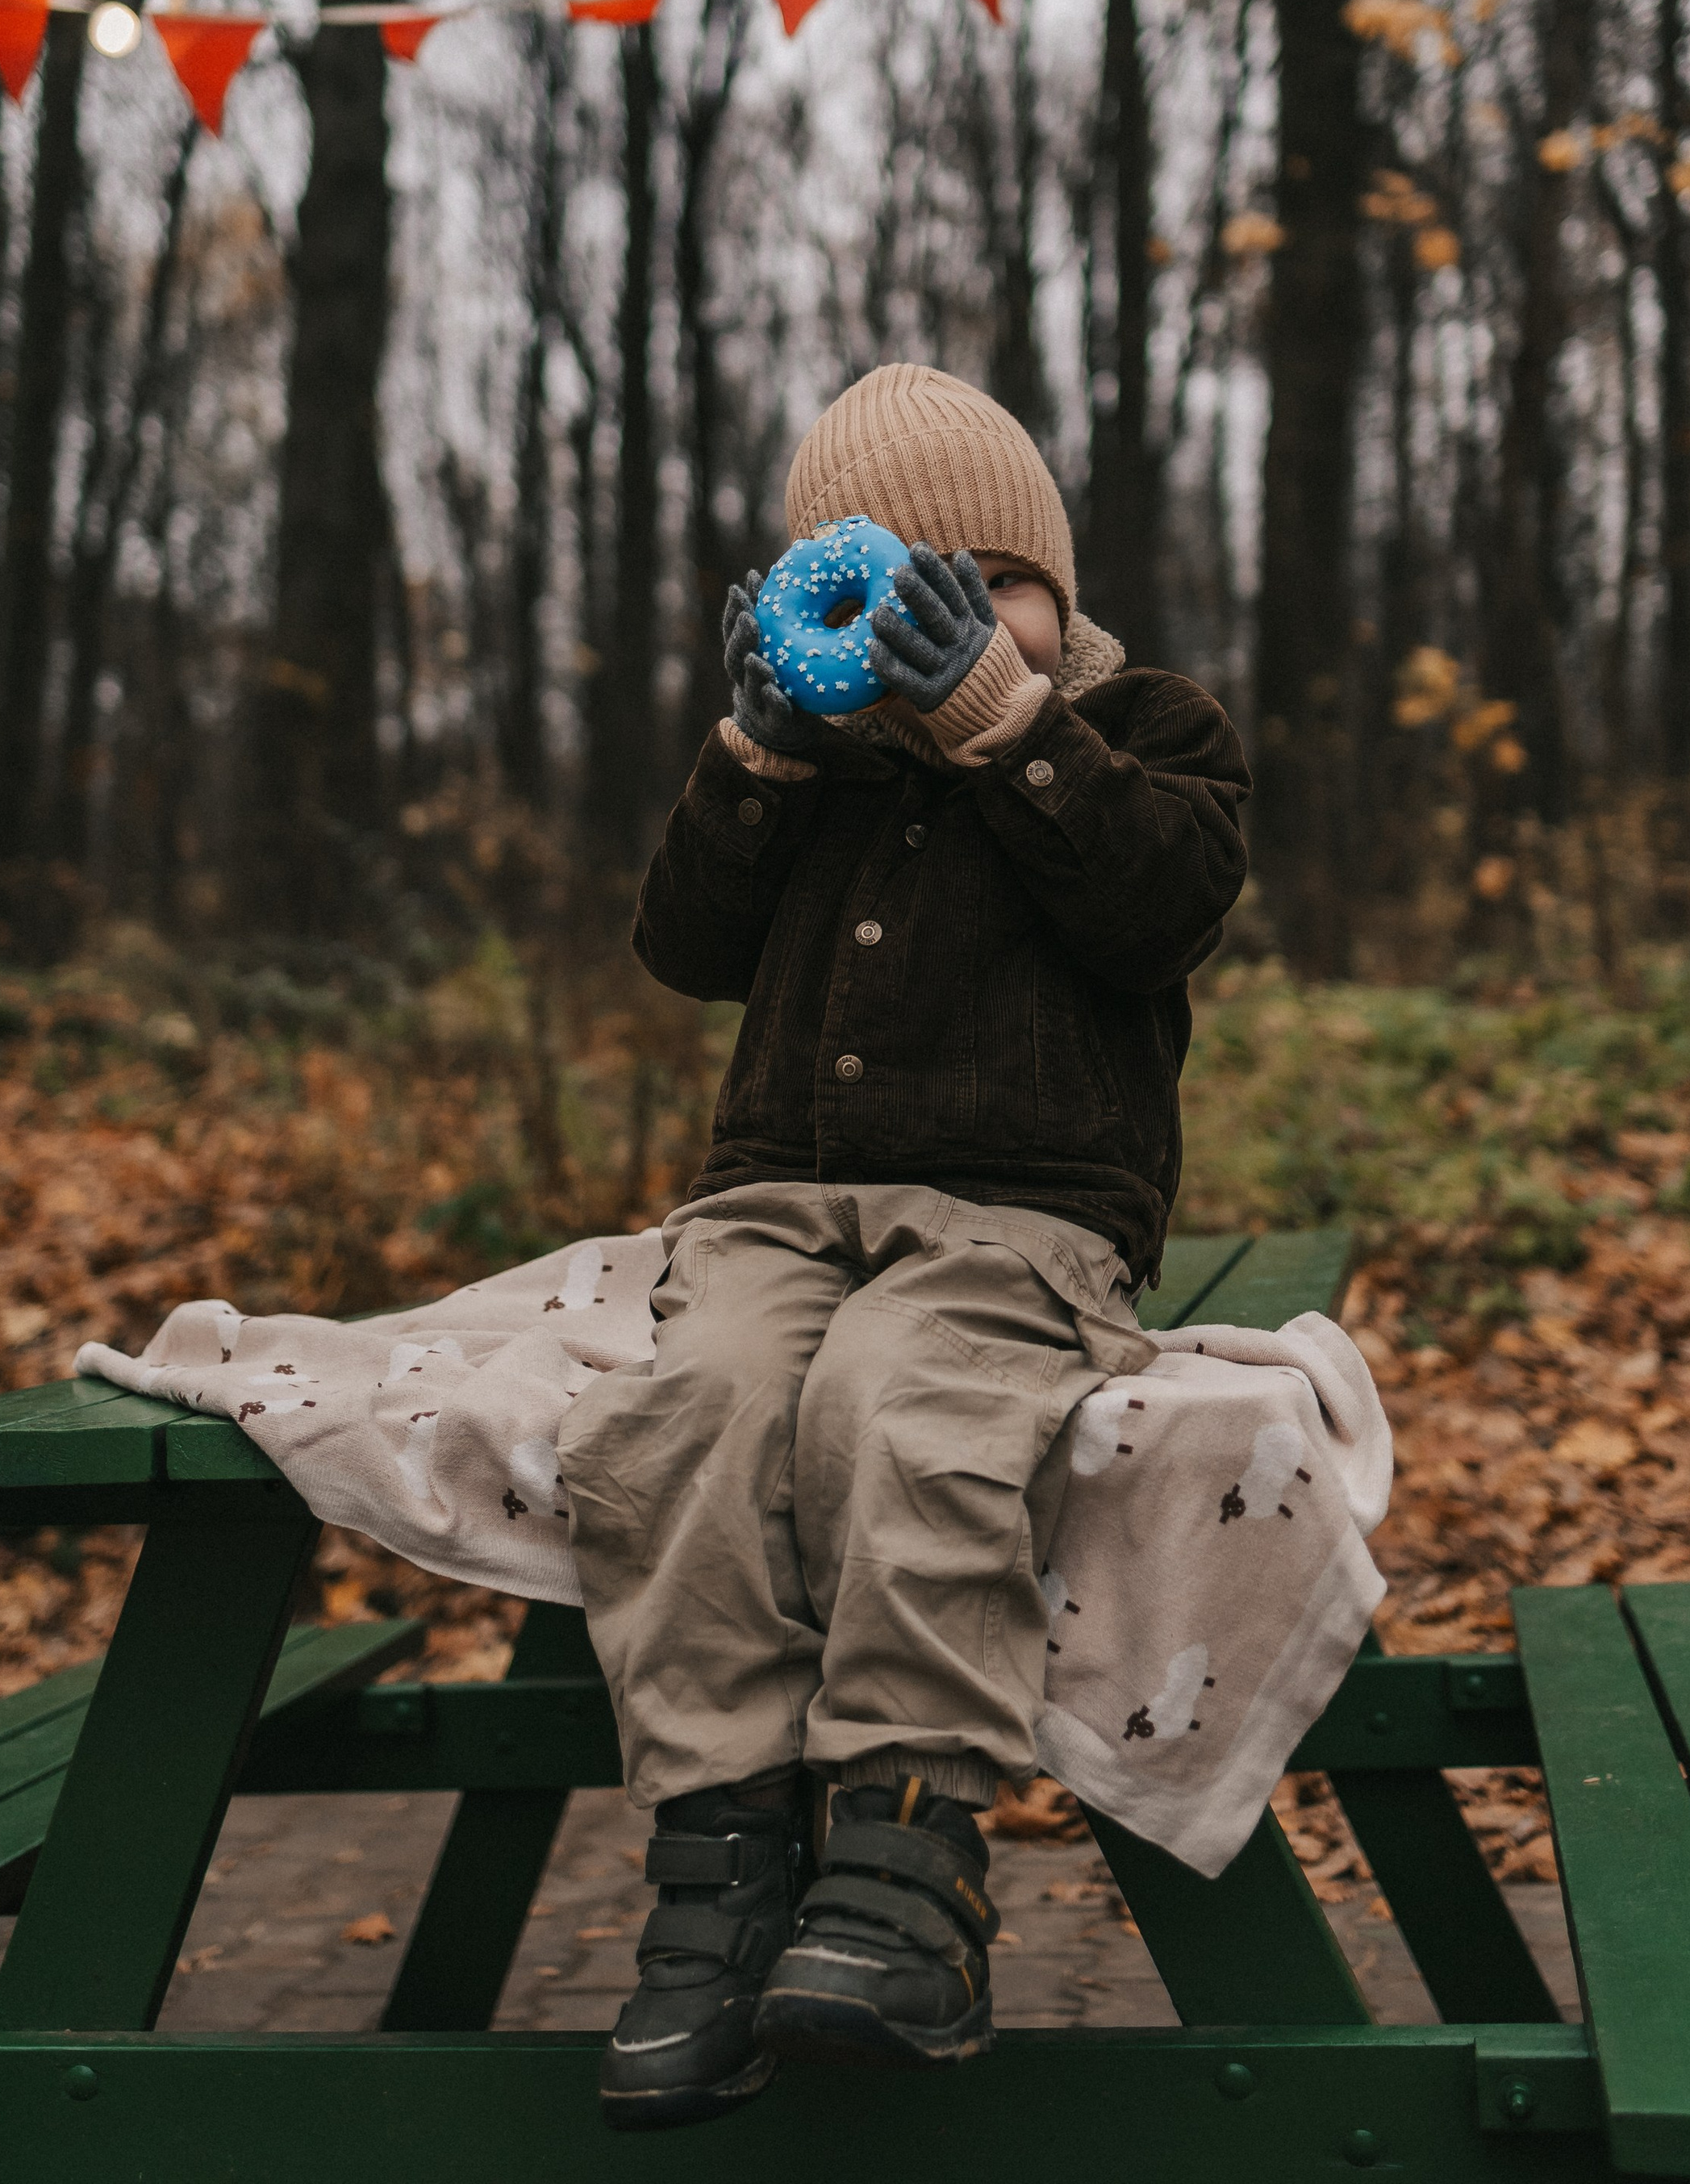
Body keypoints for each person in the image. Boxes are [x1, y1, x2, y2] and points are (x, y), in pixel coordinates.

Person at [557, 361, 1250, 2130]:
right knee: (691, 1409)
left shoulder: (1142, 730)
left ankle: (904, 1858)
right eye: (891, 590)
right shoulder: (811, 764)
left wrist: (1005, 724)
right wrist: (754, 752)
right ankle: (718, 1874)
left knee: (898, 1405)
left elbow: (1160, 904)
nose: (947, 624)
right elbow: (683, 947)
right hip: (775, 1201)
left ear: (1055, 592)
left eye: (990, 585)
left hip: (1021, 1213)